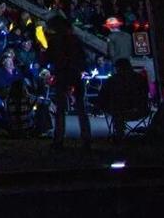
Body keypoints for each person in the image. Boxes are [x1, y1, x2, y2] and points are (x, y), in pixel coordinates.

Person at [47, 16, 91, 149]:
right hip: (75, 74)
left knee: (61, 109)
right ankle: (86, 139)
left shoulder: (55, 41)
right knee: (81, 108)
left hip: (62, 74)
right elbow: (83, 57)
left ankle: (59, 139)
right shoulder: (75, 40)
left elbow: (49, 56)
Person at [99, 58, 149, 142]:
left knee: (116, 106)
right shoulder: (140, 78)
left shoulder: (112, 80)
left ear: (118, 68)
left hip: (118, 111)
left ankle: (119, 133)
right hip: (141, 110)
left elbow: (102, 95)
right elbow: (146, 92)